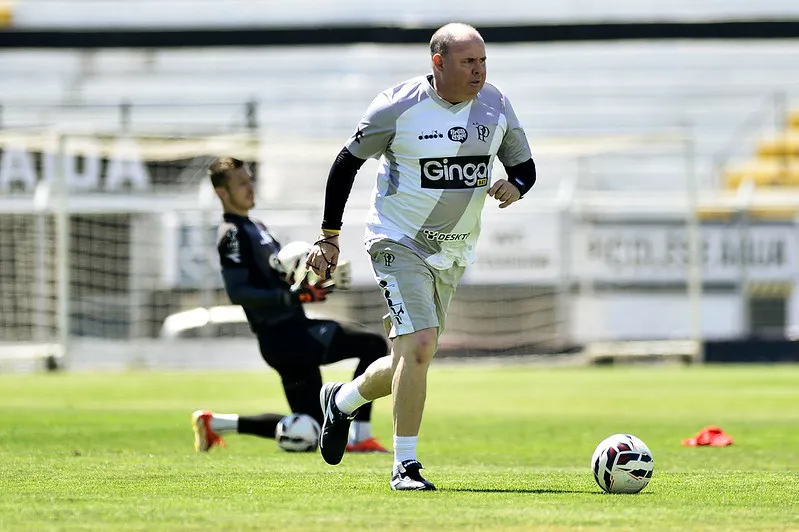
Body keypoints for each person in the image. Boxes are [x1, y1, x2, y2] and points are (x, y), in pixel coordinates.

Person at [305, 23, 536, 490]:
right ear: (439, 63)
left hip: (452, 250)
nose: (479, 70)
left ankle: (342, 401)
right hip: (396, 240)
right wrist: (329, 236)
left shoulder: (496, 104)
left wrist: (516, 187)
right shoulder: (397, 106)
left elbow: (525, 168)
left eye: (483, 61)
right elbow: (345, 163)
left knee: (408, 356)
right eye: (469, 62)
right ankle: (404, 466)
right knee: (423, 345)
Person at [191, 157, 390, 454]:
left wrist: (310, 287)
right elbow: (238, 292)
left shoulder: (255, 226)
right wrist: (294, 296)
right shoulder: (233, 233)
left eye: (249, 180)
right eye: (241, 183)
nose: (250, 187)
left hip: (288, 335)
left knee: (313, 429)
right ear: (222, 192)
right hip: (285, 336)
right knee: (373, 345)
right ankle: (360, 436)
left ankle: (215, 423)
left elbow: (278, 280)